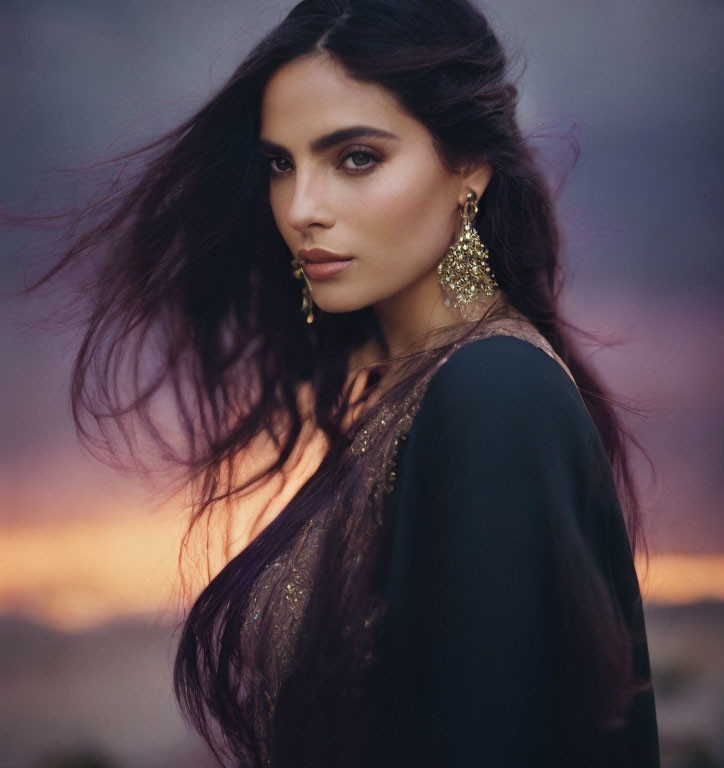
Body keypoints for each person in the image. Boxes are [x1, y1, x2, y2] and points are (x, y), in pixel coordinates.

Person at [8, 0, 660, 765]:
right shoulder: (419, 391)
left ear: (468, 171)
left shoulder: (493, 391)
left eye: (355, 157)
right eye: (280, 164)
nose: (302, 209)